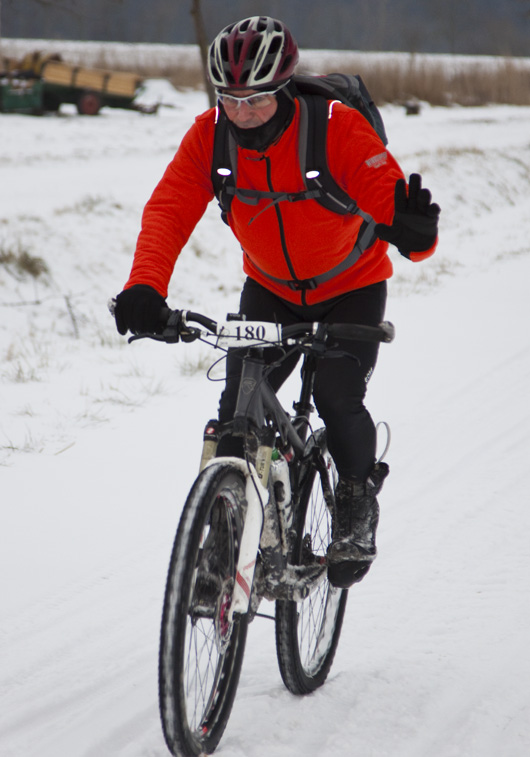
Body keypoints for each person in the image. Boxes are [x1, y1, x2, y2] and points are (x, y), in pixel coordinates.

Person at [113, 16, 440, 589]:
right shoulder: (210, 137)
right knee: (235, 412)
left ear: (285, 87)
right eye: (230, 99)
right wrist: (145, 286)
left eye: (257, 99)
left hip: (352, 286)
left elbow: (384, 194)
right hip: (270, 289)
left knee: (337, 396)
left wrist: (414, 233)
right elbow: (169, 209)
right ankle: (222, 543)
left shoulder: (334, 127)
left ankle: (356, 500)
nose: (242, 113)